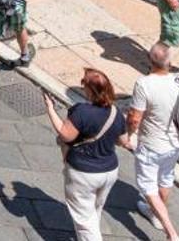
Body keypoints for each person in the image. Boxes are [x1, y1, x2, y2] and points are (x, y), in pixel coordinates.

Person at [47, 69, 127, 241]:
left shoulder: (82, 111)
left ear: (90, 90)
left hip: (83, 173)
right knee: (95, 210)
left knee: (84, 219)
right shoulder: (116, 113)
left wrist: (50, 109)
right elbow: (123, 141)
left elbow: (65, 134)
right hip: (109, 172)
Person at [125, 41, 179, 241]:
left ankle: (171, 233)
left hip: (152, 145)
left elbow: (135, 118)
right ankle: (155, 214)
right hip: (174, 144)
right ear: (169, 62)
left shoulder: (144, 84)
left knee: (148, 187)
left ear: (150, 60)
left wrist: (129, 134)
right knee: (165, 178)